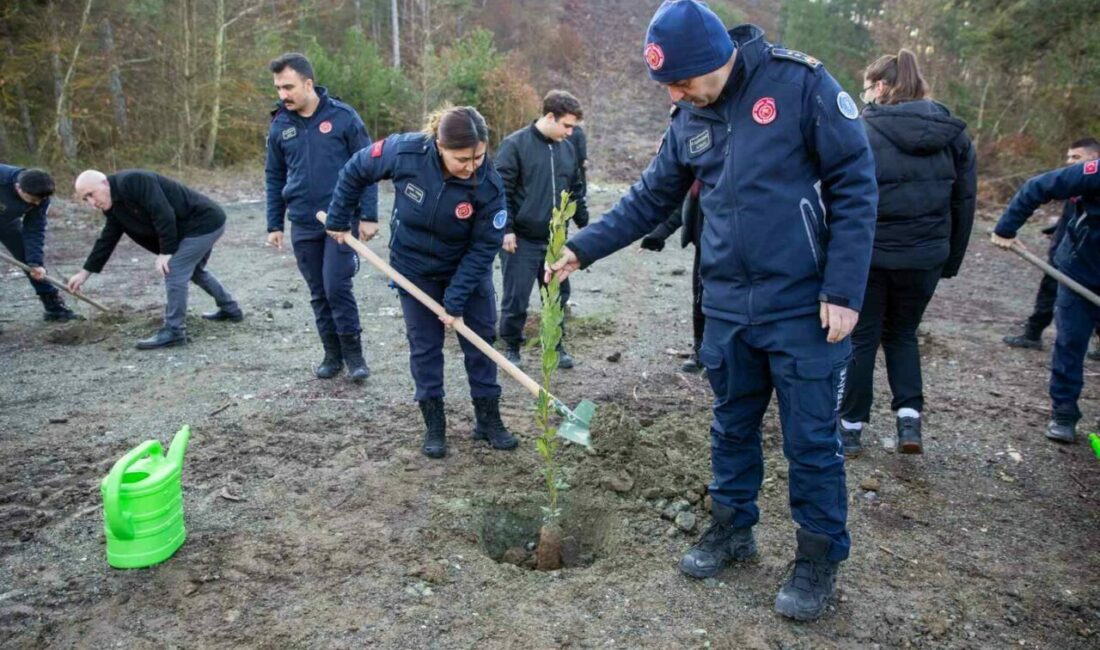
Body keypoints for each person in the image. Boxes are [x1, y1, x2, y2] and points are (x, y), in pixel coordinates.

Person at [547, 1, 877, 621]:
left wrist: (844, 288)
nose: (675, 93)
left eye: (681, 81)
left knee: (810, 442)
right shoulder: (689, 117)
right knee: (730, 427)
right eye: (666, 84)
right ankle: (731, 529)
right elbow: (650, 198)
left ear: (714, 58)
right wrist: (582, 249)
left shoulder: (800, 85)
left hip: (804, 305)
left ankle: (817, 558)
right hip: (726, 306)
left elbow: (856, 182)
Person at [324, 106, 517, 459]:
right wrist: (339, 216)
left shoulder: (488, 182)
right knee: (425, 347)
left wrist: (457, 297)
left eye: (478, 155)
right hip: (413, 270)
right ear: (439, 145)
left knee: (481, 342)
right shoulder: (406, 151)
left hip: (466, 269)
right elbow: (356, 169)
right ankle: (435, 426)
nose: (471, 165)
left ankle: (488, 421)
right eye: (462, 158)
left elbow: (486, 244)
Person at [836, 49, 977, 457]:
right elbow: (964, 201)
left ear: (880, 86)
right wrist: (950, 259)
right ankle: (908, 422)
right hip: (925, 257)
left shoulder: (861, 131)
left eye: (867, 86)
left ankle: (850, 429)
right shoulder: (954, 134)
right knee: (902, 335)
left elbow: (842, 197)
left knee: (862, 337)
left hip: (871, 256)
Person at [265, 52, 377, 382]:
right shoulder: (280, 125)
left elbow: (368, 165)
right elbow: (274, 175)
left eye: (288, 87)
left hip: (341, 220)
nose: (282, 95)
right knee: (318, 291)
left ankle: (355, 357)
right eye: (278, 88)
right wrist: (274, 223)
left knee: (336, 285)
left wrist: (369, 213)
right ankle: (332, 354)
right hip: (302, 221)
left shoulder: (343, 117)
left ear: (308, 83)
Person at [68, 169, 242, 349]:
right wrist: (84, 274)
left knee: (173, 269)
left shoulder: (134, 181)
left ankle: (174, 331)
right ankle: (230, 309)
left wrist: (166, 252)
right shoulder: (114, 207)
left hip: (204, 222)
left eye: (91, 194)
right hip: (187, 230)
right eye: (85, 199)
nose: (91, 203)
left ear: (104, 183)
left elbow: (162, 211)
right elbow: (107, 239)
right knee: (194, 271)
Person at [992, 156, 1100, 444]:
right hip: (1081, 273)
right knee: (1071, 340)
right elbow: (1037, 187)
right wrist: (1006, 229)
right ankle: (1064, 413)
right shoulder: (1094, 172)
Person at [496, 90, 589, 369]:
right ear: (550, 117)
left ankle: (555, 345)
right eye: (567, 125)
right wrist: (506, 228)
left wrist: (584, 222)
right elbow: (500, 190)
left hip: (555, 241)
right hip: (521, 240)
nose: (571, 132)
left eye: (573, 127)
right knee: (516, 298)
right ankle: (512, 346)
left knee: (558, 296)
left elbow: (575, 188)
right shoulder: (514, 145)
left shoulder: (568, 148)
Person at [1002, 138, 1100, 354]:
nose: (1069, 161)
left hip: (1088, 257)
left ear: (1093, 157)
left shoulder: (1091, 178)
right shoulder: (1076, 181)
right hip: (1066, 253)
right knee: (1052, 292)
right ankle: (1033, 333)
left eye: (1076, 157)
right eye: (1068, 157)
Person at [0, 165, 81, 321]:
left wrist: (35, 262)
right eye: (32, 200)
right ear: (18, 188)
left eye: (39, 201)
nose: (36, 204)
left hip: (7, 223)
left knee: (30, 261)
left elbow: (34, 230)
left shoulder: (41, 197)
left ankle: (53, 308)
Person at [640, 179, 705, 372]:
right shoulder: (697, 176)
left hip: (723, 249)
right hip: (702, 246)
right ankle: (700, 351)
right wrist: (658, 234)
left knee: (718, 303)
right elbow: (681, 207)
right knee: (699, 301)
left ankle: (719, 356)